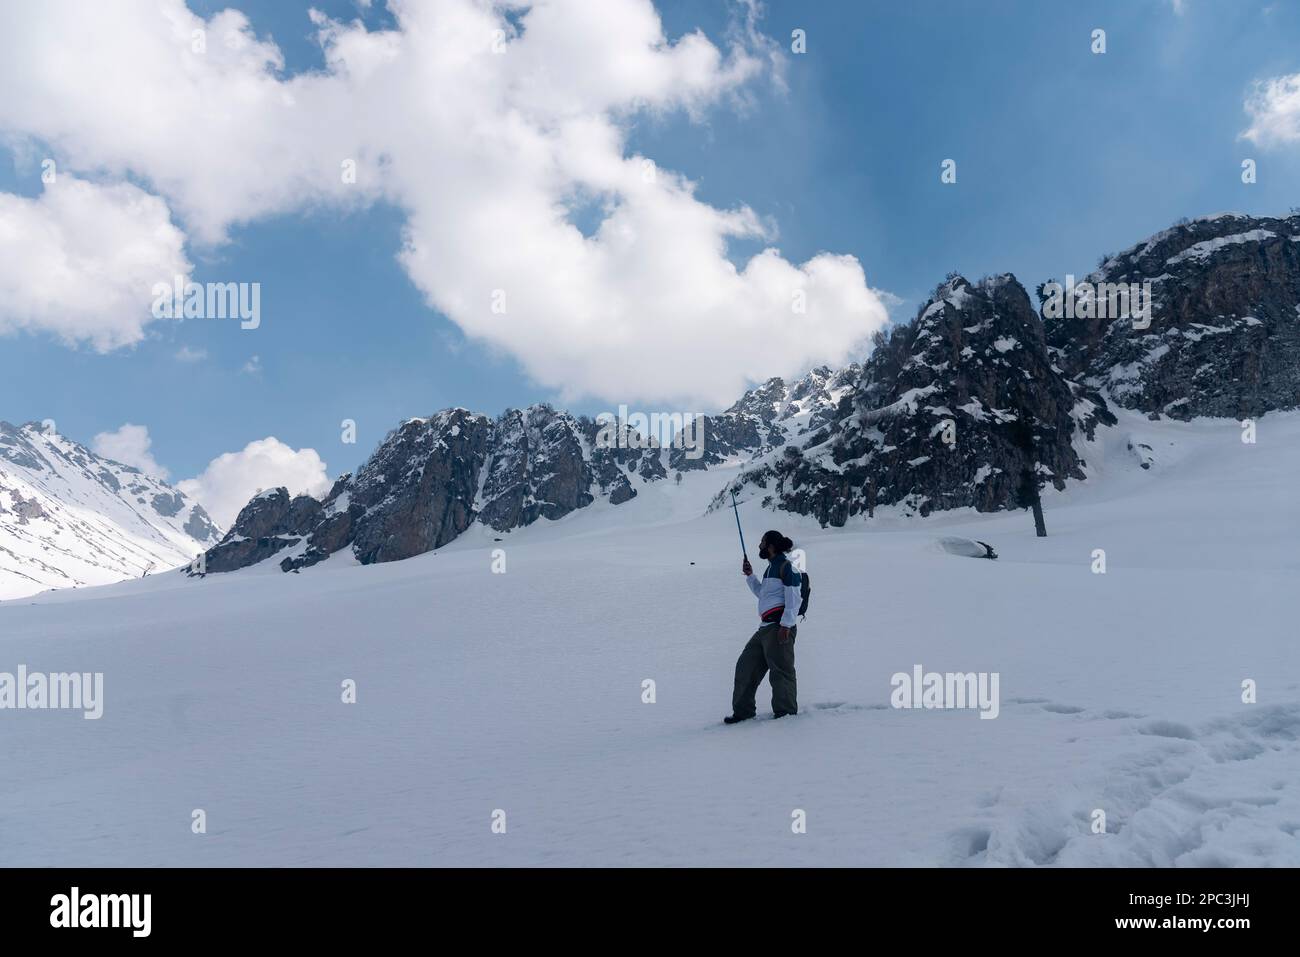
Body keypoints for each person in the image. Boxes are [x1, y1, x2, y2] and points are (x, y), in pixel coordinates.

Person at [724, 530, 801, 723]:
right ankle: (743, 712)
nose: (759, 546)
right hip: (765, 627)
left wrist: (786, 625)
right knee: (745, 666)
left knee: (781, 672)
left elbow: (794, 598)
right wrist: (750, 576)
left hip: (779, 627)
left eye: (762, 543)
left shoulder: (786, 567)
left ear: (771, 546)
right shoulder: (770, 569)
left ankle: (786, 716)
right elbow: (764, 595)